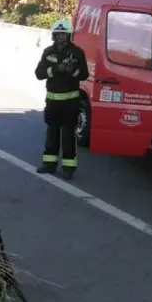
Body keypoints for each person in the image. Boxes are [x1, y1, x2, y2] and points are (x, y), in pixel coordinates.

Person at [34, 18, 89, 180]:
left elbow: (84, 75)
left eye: (63, 34)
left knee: (68, 136)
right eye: (58, 34)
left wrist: (72, 70)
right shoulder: (48, 52)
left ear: (69, 35)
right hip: (52, 102)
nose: (60, 37)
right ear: (53, 35)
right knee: (52, 134)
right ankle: (49, 164)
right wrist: (56, 69)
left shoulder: (78, 53)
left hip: (70, 103)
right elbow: (39, 74)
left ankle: (68, 168)